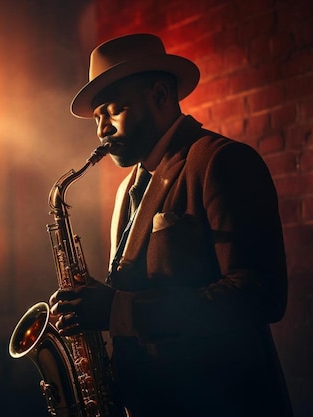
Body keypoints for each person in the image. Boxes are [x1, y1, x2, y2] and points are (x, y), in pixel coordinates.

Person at [49, 33, 292, 417]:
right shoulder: (128, 189)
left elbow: (259, 294)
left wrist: (118, 311)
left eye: (113, 110)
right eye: (97, 119)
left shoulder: (222, 160)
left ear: (160, 95)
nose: (101, 130)